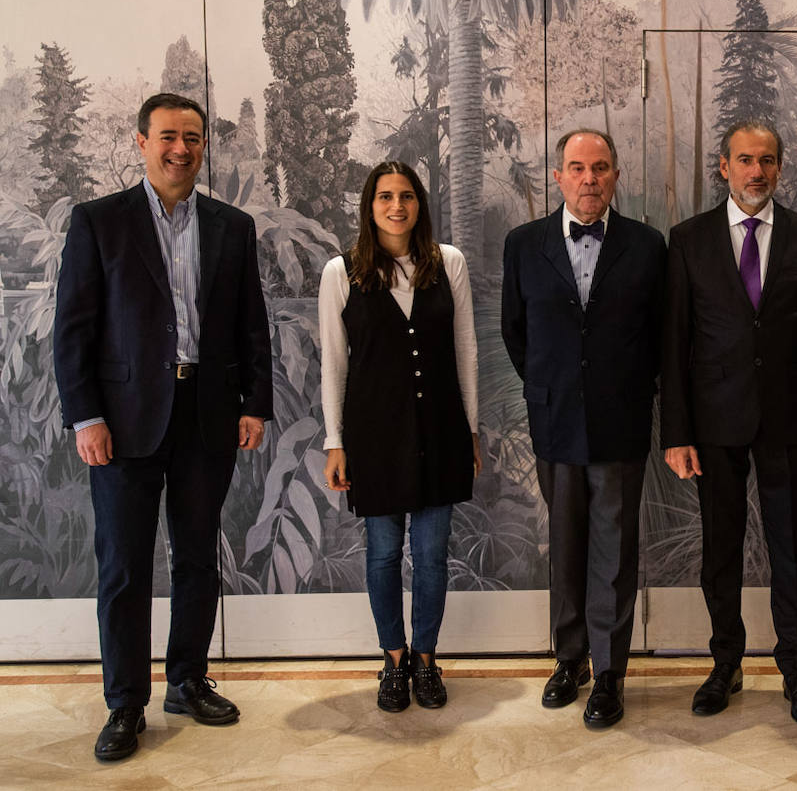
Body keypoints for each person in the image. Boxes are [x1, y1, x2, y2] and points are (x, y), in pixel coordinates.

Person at [54, 92, 273, 762]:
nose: (183, 149)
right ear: (141, 141)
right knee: (123, 567)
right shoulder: (98, 223)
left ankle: (186, 678)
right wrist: (86, 415)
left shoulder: (232, 227)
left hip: (206, 419)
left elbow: (250, 326)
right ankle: (125, 703)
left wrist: (255, 403)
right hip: (123, 425)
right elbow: (73, 330)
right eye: (170, 136)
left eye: (195, 138)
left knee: (198, 558)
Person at [660, 120, 797, 727]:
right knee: (721, 550)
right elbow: (675, 342)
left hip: (788, 423)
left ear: (779, 169)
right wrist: (677, 433)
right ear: (723, 166)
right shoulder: (688, 239)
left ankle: (796, 671)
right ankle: (725, 665)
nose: (756, 171)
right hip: (714, 424)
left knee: (791, 551)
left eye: (766, 160)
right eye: (744, 160)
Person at [501, 129, 664, 728]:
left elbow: (659, 339)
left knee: (614, 550)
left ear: (616, 176)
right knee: (565, 545)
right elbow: (516, 333)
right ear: (558, 176)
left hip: (621, 420)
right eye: (577, 167)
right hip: (555, 418)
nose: (589, 179)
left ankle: (610, 671)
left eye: (600, 168)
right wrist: (552, 386)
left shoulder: (648, 247)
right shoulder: (524, 244)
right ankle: (568, 659)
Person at [319, 161, 480, 714]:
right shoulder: (341, 272)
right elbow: (333, 364)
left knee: (432, 556)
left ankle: (427, 659)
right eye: (385, 196)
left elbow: (466, 351)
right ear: (369, 206)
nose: (396, 206)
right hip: (373, 436)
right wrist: (334, 442)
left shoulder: (448, 263)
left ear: (420, 204)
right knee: (384, 554)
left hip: (441, 431)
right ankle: (393, 660)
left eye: (406, 196)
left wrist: (472, 430)